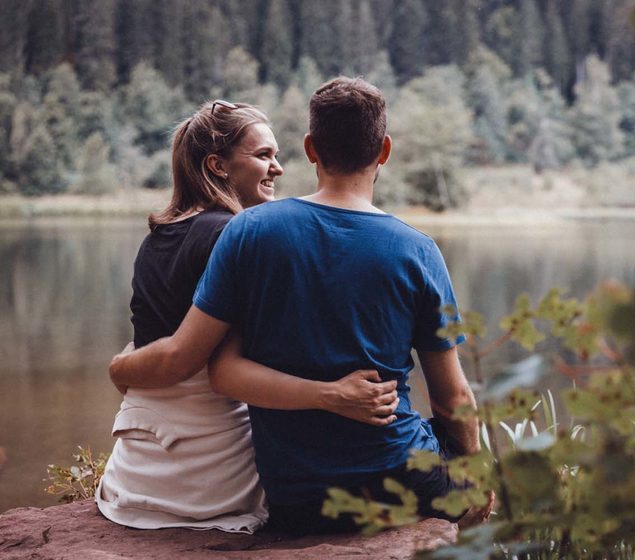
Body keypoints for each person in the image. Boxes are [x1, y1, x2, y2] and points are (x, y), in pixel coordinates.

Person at [109, 78, 492, 535]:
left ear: (310, 148)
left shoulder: (248, 230)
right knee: (458, 439)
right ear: (384, 150)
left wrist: (121, 366)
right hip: (399, 479)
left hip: (296, 494)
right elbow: (452, 399)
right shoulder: (418, 249)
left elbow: (220, 370)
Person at [97, 100, 399, 534]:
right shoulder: (234, 236)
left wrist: (122, 365)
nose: (278, 168)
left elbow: (157, 347)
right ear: (218, 165)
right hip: (210, 475)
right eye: (263, 155)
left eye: (276, 155)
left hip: (137, 473)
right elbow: (192, 360)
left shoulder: (158, 237)